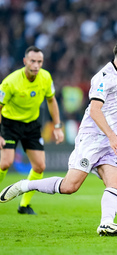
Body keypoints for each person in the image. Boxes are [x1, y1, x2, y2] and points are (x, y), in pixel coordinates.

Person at [0, 35, 117, 237]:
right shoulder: (103, 78)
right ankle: (24, 186)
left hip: (108, 141)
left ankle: (106, 224)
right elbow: (95, 110)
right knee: (70, 186)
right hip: (92, 139)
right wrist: (113, 137)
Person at [0, 46, 64, 215]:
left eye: (39, 62)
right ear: (25, 61)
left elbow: (51, 101)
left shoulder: (45, 77)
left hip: (31, 125)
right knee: (5, 162)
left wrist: (57, 126)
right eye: (33, 61)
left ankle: (24, 205)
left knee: (40, 166)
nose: (36, 65)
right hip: (9, 124)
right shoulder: (10, 82)